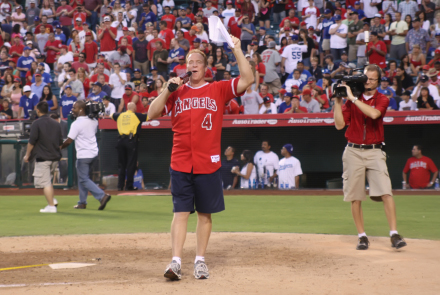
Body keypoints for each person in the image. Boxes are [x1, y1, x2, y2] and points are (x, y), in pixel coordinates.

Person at [148, 34, 254, 280]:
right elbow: (151, 113)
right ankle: (175, 262)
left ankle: (200, 261)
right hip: (181, 161)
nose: (193, 65)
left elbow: (248, 79)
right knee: (180, 212)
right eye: (189, 61)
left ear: (205, 68)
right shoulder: (176, 92)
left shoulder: (217, 89)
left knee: (205, 214)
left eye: (197, 61)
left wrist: (237, 49)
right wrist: (166, 90)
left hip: (208, 163)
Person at [334, 64, 407, 251]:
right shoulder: (351, 101)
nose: (369, 82)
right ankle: (362, 236)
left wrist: (353, 99)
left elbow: (374, 114)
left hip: (374, 150)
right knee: (355, 196)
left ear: (379, 81)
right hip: (353, 150)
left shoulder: (382, 98)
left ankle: (394, 234)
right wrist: (338, 101)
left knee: (386, 192)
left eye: (373, 79)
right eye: (367, 78)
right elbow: (339, 125)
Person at [60, 100, 111, 210]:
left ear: (81, 109)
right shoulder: (93, 121)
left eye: (75, 108)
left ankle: (102, 196)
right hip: (93, 154)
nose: (72, 110)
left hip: (84, 155)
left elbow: (69, 141)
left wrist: (58, 147)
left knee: (83, 179)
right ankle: (82, 203)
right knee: (82, 178)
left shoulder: (76, 124)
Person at [23, 101, 63, 213]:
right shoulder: (56, 123)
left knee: (45, 183)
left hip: (43, 157)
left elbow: (31, 142)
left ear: (38, 110)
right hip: (55, 157)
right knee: (48, 182)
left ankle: (51, 206)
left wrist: (27, 155)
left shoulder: (36, 123)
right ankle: (52, 201)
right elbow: (60, 142)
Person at [111, 102, 147, 191]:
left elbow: (112, 115)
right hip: (131, 141)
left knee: (121, 165)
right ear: (134, 108)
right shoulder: (137, 115)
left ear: (127, 108)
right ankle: (129, 186)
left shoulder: (120, 115)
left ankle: (120, 186)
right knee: (131, 164)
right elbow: (148, 116)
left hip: (120, 141)